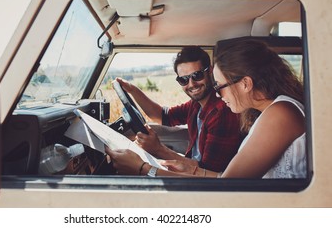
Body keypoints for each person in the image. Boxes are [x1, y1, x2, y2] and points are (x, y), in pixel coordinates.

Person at [106, 39, 306, 178]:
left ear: (245, 84)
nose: (218, 94)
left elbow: (227, 186)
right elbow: (226, 179)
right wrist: (189, 168)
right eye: (183, 79)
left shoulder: (280, 114)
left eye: (220, 86)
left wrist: (143, 169)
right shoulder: (272, 112)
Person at [113, 46, 242, 173]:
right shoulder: (196, 105)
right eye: (183, 79)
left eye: (197, 75)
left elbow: (207, 172)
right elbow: (163, 116)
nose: (191, 84)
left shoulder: (222, 112)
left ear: (210, 72)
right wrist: (132, 90)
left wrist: (158, 149)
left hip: (205, 184)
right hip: (193, 171)